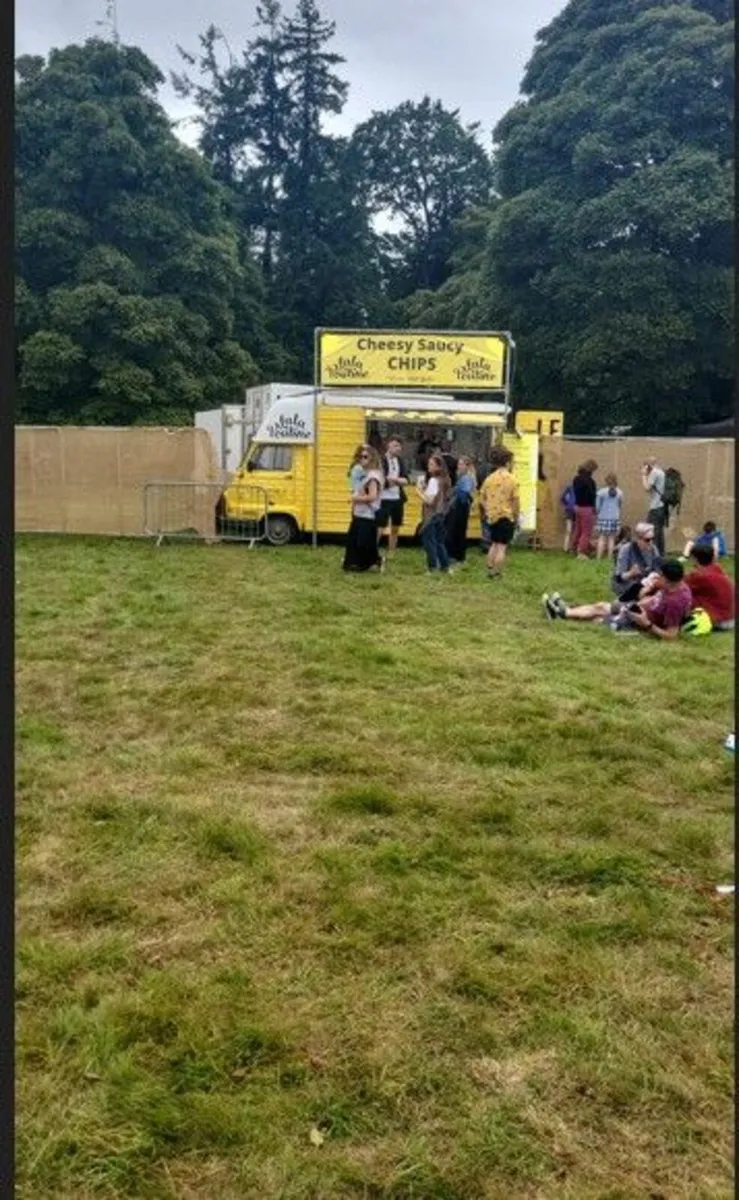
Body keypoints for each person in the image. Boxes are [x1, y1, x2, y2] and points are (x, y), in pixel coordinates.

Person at [543, 558, 693, 640]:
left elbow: (672, 635)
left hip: (638, 621)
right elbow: (655, 599)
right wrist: (642, 599)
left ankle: (559, 613)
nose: (657, 576)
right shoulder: (677, 585)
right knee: (601, 606)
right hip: (635, 609)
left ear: (667, 578)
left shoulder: (675, 602)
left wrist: (646, 624)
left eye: (660, 574)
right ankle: (564, 611)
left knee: (599, 619)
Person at [479, 445, 520, 579]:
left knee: (494, 544)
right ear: (507, 462)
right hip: (506, 516)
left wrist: (488, 510)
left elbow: (481, 498)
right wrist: (516, 515)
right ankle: (498, 572)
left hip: (492, 517)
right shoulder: (512, 479)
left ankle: (489, 570)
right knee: (502, 547)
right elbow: (515, 501)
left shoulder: (489, 479)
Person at [342, 445, 384, 573]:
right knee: (354, 540)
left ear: (372, 458)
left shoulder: (373, 476)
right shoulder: (364, 473)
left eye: (365, 457)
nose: (362, 459)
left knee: (363, 542)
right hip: (360, 513)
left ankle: (370, 562)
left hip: (368, 514)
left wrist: (355, 499)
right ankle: (356, 564)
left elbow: (372, 496)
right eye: (361, 457)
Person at [684, 545, 735, 630]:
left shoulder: (700, 576)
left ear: (695, 559)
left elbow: (676, 585)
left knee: (680, 595)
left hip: (720, 621)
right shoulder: (717, 569)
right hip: (731, 617)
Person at [417, 453, 453, 574]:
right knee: (439, 541)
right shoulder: (445, 480)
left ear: (438, 467)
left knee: (429, 541)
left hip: (431, 515)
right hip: (441, 513)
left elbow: (430, 500)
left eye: (431, 464)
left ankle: (432, 567)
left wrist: (419, 492)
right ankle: (445, 566)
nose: (429, 466)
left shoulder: (433, 480)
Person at [611, 521, 662, 602]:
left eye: (653, 539)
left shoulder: (654, 549)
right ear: (638, 539)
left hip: (646, 582)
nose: (651, 543)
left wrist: (655, 576)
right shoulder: (626, 549)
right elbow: (618, 577)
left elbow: (658, 569)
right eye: (647, 540)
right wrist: (631, 573)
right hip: (627, 583)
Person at [376, 436, 409, 557]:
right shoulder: (381, 460)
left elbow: (406, 479)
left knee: (396, 526)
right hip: (384, 498)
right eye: (395, 445)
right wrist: (394, 481)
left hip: (397, 498)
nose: (398, 448)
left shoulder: (400, 461)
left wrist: (395, 480)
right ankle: (373, 549)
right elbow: (381, 478)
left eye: (399, 446)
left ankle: (392, 551)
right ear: (388, 446)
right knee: (380, 525)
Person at [445, 455, 476, 564]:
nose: (459, 466)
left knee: (455, 530)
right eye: (458, 464)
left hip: (460, 506)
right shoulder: (463, 476)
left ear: (467, 466)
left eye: (461, 464)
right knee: (459, 531)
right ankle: (458, 556)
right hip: (461, 505)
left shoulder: (467, 478)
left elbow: (465, 492)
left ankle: (454, 555)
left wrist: (455, 492)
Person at [571, 460, 598, 559]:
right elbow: (592, 496)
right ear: (591, 469)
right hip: (587, 508)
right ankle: (581, 552)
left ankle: (573, 548)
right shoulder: (590, 481)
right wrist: (594, 508)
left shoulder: (576, 479)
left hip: (577, 507)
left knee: (577, 529)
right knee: (586, 531)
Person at [595, 473, 623, 560]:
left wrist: (598, 514)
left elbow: (597, 507)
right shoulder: (620, 492)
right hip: (614, 518)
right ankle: (609, 558)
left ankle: (598, 558)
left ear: (606, 481)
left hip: (603, 517)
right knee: (611, 539)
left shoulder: (601, 492)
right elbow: (619, 505)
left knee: (602, 538)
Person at [641, 457, 666, 556]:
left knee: (651, 531)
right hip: (661, 506)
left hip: (655, 507)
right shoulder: (661, 472)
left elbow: (647, 487)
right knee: (659, 532)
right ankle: (660, 554)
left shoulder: (654, 472)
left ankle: (653, 554)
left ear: (648, 465)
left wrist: (643, 475)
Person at [560, 480, 576, 553]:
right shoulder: (572, 487)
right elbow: (562, 498)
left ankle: (566, 548)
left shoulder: (570, 487)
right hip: (577, 510)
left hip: (569, 510)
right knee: (575, 530)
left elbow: (563, 498)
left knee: (569, 530)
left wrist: (568, 504)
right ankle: (571, 547)